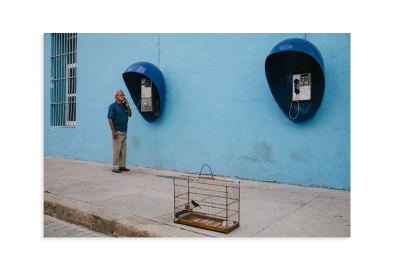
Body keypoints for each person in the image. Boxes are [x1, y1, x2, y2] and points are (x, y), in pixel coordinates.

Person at [108, 90, 132, 173]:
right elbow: (110, 119)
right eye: (121, 95)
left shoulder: (124, 106)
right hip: (117, 131)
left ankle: (122, 166)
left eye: (123, 95)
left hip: (124, 130)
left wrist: (128, 106)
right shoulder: (113, 106)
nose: (123, 96)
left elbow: (130, 114)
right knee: (116, 150)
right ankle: (116, 167)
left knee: (123, 150)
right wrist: (113, 131)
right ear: (116, 97)